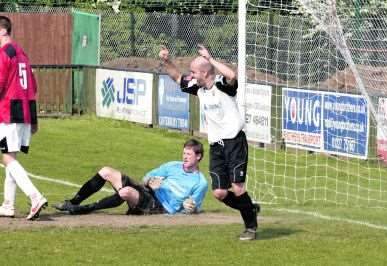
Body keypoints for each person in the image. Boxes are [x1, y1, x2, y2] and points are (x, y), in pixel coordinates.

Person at [159, 45, 259, 240]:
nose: (191, 75)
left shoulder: (222, 85)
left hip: (235, 143)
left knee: (238, 187)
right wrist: (166, 61)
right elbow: (177, 78)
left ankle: (250, 227)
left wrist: (211, 59)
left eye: (194, 72)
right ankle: (250, 208)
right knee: (220, 193)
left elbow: (232, 75)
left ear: (204, 73)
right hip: (216, 146)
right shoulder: (199, 88)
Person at [53, 139, 208, 216]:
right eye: (184, 153)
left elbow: (195, 207)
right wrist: (150, 181)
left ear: (199, 156)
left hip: (158, 208)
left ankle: (81, 210)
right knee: (106, 171)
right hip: (147, 192)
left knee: (126, 191)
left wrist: (192, 209)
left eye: (189, 154)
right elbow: (147, 177)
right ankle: (72, 203)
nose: (185, 157)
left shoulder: (200, 183)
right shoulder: (173, 165)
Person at [0, 16, 48, 220]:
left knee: (7, 157)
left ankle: (35, 196)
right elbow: (33, 87)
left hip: (9, 111)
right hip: (24, 111)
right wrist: (34, 119)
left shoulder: (4, 53)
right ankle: (8, 205)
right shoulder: (22, 54)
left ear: (2, 31)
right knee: (11, 157)